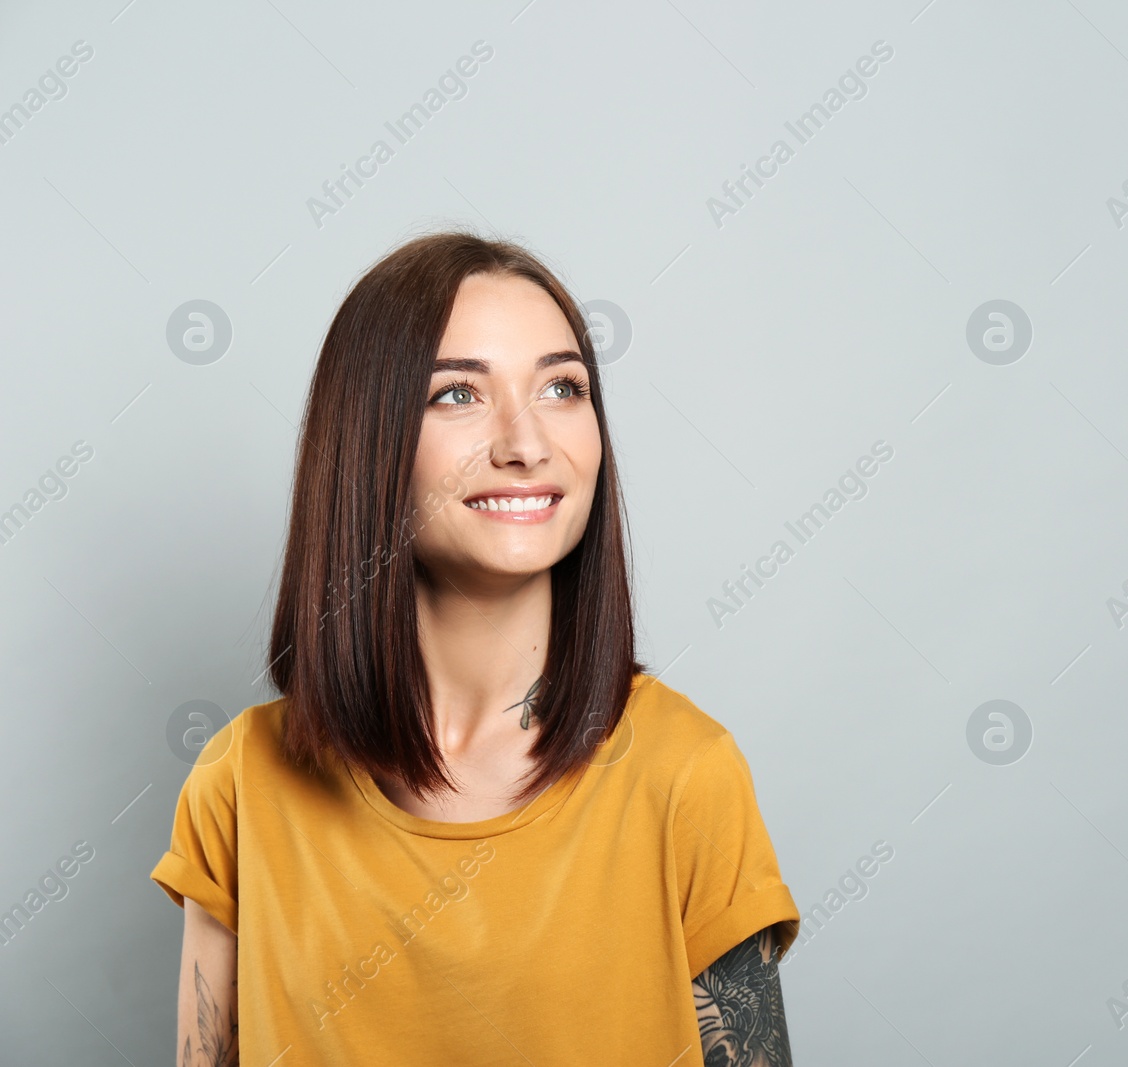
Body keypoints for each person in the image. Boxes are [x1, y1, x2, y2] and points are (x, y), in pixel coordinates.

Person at [149, 232, 800, 1065]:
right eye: (458, 394)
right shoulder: (239, 783)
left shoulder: (687, 773)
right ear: (367, 441)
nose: (527, 444)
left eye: (563, 387)